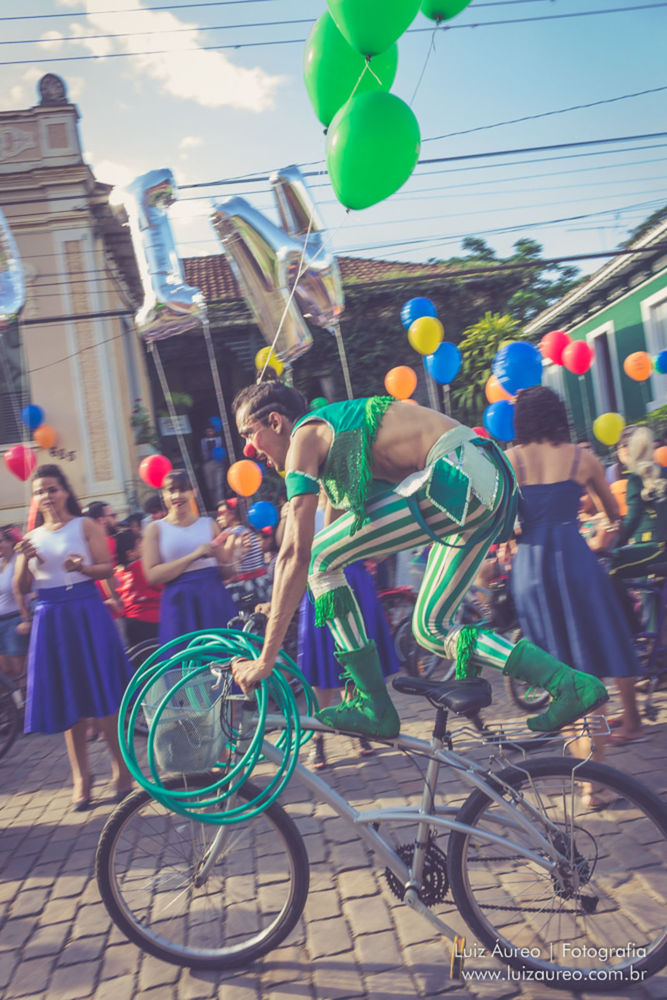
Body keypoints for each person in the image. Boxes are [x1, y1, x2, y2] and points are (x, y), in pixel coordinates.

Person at [229, 381, 607, 738]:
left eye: (248, 433)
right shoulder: (333, 442)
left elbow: (297, 552)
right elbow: (334, 541)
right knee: (431, 629)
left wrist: (266, 659)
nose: (249, 449)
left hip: (457, 478)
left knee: (315, 560)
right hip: (482, 485)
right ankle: (568, 684)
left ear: (275, 421)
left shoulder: (304, 437)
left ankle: (375, 704)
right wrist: (276, 605)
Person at [505, 387, 644, 748]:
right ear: (558, 416)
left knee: (558, 673)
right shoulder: (582, 459)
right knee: (587, 665)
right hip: (575, 561)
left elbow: (504, 522)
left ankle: (577, 757)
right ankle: (593, 774)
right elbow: (611, 512)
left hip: (531, 569)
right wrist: (599, 523)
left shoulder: (510, 460)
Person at [13, 465, 134, 809]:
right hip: (51, 618)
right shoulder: (32, 538)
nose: (46, 496)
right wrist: (24, 560)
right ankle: (82, 776)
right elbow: (22, 588)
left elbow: (108, 568)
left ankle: (121, 769)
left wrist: (81, 568)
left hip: (85, 610)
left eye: (52, 489)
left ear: (65, 490)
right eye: (40, 491)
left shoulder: (85, 525)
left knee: (104, 692)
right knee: (69, 697)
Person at [297, 491, 401, 769]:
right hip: (320, 587)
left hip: (357, 582)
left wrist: (376, 551)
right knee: (322, 668)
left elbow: (381, 548)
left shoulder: (356, 502)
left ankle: (359, 729)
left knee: (355, 659)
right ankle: (317, 738)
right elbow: (293, 551)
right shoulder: (300, 505)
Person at [142, 469, 238, 648]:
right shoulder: (155, 529)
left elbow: (225, 572)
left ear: (193, 492)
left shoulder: (208, 524)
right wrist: (194, 556)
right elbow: (152, 575)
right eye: (171, 490)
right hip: (179, 605)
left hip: (214, 601)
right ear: (163, 495)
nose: (177, 495)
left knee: (225, 659)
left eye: (183, 489)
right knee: (184, 665)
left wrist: (232, 555)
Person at [216, 498, 270, 605]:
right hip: (263, 583)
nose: (218, 518)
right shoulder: (251, 531)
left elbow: (224, 558)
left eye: (221, 513)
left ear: (231, 515)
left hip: (246, 587)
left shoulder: (232, 534)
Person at [114, 528, 162, 647]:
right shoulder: (142, 567)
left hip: (131, 622)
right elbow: (162, 585)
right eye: (140, 545)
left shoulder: (119, 574)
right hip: (152, 620)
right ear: (130, 553)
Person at [0, 525, 30, 698]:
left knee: (19, 671)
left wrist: (26, 618)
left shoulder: (18, 561)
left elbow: (24, 590)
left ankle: (27, 707)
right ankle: (17, 707)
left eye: (1, 541)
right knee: (5, 670)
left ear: (10, 542)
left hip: (14, 620)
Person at [200, 425, 225, 508]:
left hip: (218, 463)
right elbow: (202, 453)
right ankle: (213, 504)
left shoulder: (219, 439)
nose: (210, 433)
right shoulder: (203, 441)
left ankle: (220, 504)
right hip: (208, 463)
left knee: (219, 484)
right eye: (208, 431)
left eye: (211, 431)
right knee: (210, 486)